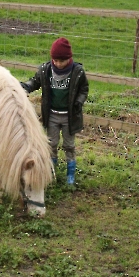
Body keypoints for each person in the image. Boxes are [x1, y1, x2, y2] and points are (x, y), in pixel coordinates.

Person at [21, 37, 89, 185]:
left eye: (61, 61)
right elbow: (36, 81)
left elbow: (84, 89)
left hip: (69, 117)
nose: (58, 64)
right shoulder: (46, 70)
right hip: (51, 115)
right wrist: (26, 86)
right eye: (55, 60)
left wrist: (79, 102)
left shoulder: (77, 72)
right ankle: (52, 169)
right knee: (51, 143)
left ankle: (70, 174)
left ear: (68, 59)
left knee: (69, 145)